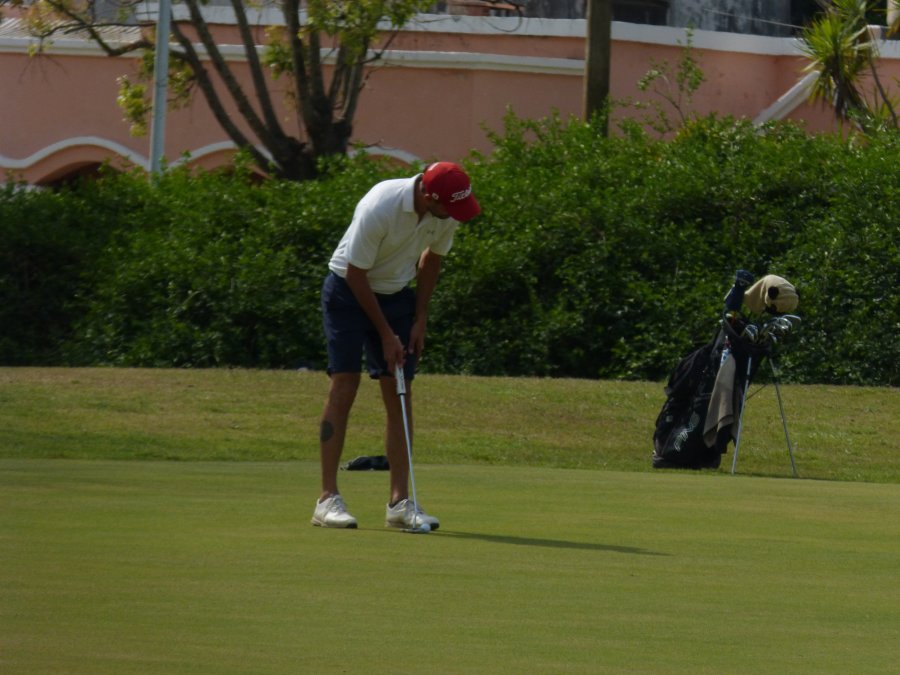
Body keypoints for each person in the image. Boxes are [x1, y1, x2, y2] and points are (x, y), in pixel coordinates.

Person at [312, 162, 481, 529]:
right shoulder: (381, 204)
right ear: (428, 195)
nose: (454, 217)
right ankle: (327, 499)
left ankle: (399, 504)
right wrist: (386, 334)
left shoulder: (445, 210)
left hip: (396, 295)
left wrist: (420, 317)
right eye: (449, 208)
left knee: (399, 389)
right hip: (347, 291)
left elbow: (432, 259)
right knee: (345, 383)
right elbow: (356, 273)